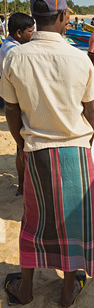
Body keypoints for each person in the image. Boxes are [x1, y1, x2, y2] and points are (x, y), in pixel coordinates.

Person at [0, 0, 94, 307]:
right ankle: (68, 290)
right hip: (75, 150)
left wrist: (20, 142)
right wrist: (89, 138)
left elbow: (11, 109)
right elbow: (90, 110)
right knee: (75, 222)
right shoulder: (77, 57)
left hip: (37, 150)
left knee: (35, 220)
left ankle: (26, 288)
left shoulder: (15, 56)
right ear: (62, 16)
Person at [0, 12, 35, 195]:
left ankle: (22, 185)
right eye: (31, 31)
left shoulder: (9, 46)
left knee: (20, 147)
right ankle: (22, 185)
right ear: (19, 33)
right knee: (22, 147)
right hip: (17, 103)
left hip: (16, 101)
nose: (33, 34)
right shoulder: (12, 52)